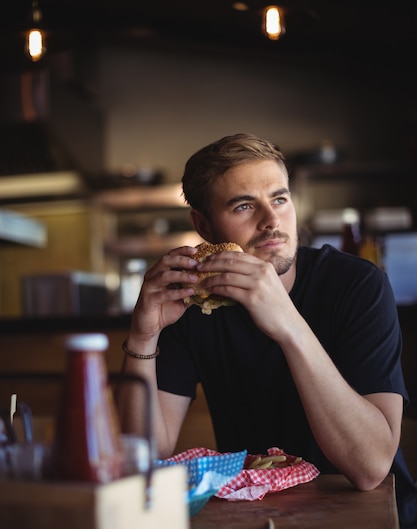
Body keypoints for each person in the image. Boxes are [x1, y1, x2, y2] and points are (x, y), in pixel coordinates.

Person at [117, 132, 407, 492]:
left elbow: (371, 467)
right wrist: (143, 335)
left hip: (370, 521)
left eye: (280, 199)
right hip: (252, 512)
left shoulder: (357, 285)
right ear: (204, 227)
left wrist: (288, 324)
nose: (271, 220)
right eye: (244, 206)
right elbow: (143, 454)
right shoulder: (189, 302)